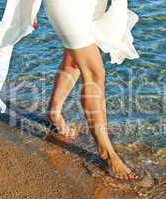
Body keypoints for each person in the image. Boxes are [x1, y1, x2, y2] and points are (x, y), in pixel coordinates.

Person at [41, 0, 139, 180]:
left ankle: (53, 113)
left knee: (74, 61)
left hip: (94, 5)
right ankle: (106, 153)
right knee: (95, 73)